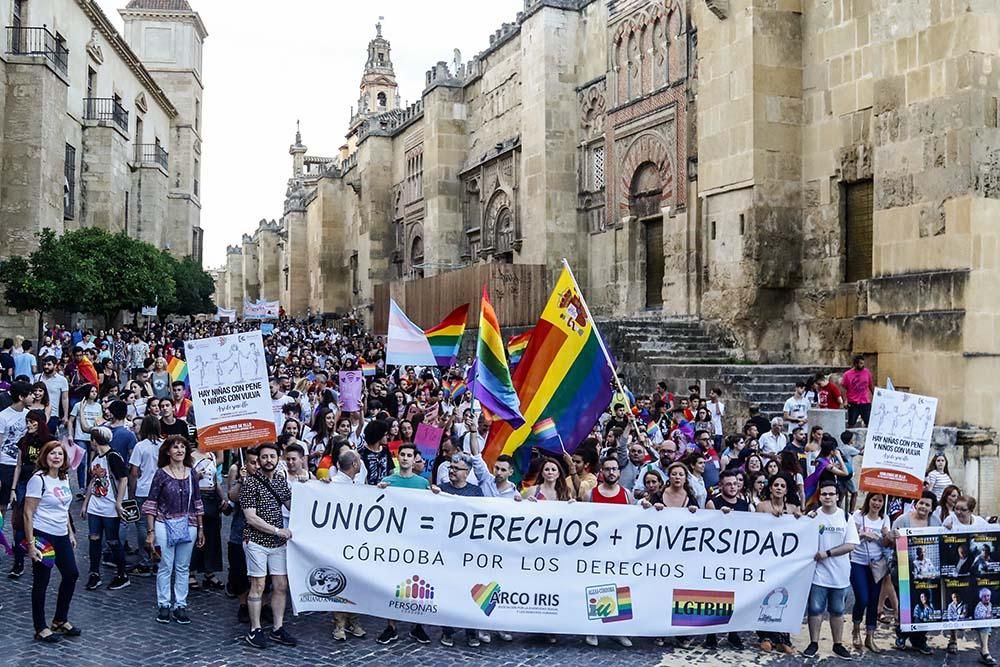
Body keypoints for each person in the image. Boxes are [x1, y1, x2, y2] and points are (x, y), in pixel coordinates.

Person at [239, 441, 297, 649]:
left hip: (278, 543)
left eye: (272, 456)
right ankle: (255, 630)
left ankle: (278, 628)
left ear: (277, 458)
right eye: (264, 457)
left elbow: (295, 505)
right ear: (259, 460)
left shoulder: (281, 482)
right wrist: (275, 530)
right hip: (257, 542)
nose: (268, 460)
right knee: (258, 586)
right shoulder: (250, 484)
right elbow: (251, 517)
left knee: (281, 586)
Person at [373, 442, 432, 646]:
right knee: (393, 584)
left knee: (417, 584)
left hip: (417, 542)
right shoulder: (388, 481)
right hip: (394, 542)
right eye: (403, 454)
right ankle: (391, 626)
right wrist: (378, 492)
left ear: (415, 458)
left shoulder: (423, 483)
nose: (406, 458)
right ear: (398, 457)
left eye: (409, 455)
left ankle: (417, 626)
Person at [142, 436, 205, 624]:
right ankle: (163, 604)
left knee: (183, 566)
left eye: (182, 447)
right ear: (167, 452)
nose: (179, 450)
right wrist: (151, 531)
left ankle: (180, 604)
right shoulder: (161, 474)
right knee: (165, 565)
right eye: (175, 447)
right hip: (163, 522)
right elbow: (151, 502)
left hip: (189, 522)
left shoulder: (191, 473)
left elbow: (197, 502)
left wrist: (201, 528)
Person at [22, 440, 80, 643]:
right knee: (42, 581)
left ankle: (60, 619)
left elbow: (64, 509)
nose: (56, 457)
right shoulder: (39, 479)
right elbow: (28, 513)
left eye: (60, 454)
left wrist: (71, 532)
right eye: (52, 453)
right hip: (42, 536)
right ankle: (40, 627)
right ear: (45, 456)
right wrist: (30, 544)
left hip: (61, 534)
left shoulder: (64, 478)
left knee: (72, 574)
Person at [802, 481, 860, 660]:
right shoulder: (813, 516)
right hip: (818, 573)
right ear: (819, 496)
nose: (827, 497)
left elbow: (850, 545)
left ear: (837, 496)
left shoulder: (846, 517)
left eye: (830, 494)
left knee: (837, 610)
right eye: (824, 494)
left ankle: (838, 644)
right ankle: (813, 643)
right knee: (815, 609)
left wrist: (827, 553)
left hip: (840, 574)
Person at [703, 469, 749, 651]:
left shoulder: (745, 505)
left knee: (736, 596)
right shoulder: (712, 503)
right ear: (721, 485)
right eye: (728, 484)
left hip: (737, 559)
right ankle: (711, 634)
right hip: (716, 558)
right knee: (714, 596)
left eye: (735, 483)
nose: (732, 487)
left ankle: (733, 633)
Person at [80, 426, 129, 591]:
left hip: (109, 507)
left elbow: (123, 479)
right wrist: (86, 503)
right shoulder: (96, 459)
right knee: (93, 539)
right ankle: (94, 573)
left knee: (113, 541)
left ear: (95, 440)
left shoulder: (113, 457)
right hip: (96, 506)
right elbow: (93, 482)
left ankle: (122, 574)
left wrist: (118, 503)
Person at [325, 449, 367, 641]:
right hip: (337, 542)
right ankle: (339, 624)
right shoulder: (331, 485)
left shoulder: (357, 483)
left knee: (355, 582)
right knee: (340, 582)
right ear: (355, 465)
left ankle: (353, 620)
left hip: (356, 542)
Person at [892, 491, 941, 655]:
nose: (923, 507)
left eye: (927, 505)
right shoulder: (903, 519)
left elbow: (941, 539)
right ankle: (901, 635)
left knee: (923, 601)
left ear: (932, 508)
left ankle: (920, 639)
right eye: (921, 503)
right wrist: (894, 535)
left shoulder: (935, 521)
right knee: (906, 602)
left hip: (926, 574)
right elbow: (890, 540)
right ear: (915, 503)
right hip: (903, 568)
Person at [850, 492, 891, 653]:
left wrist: (883, 536)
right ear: (869, 500)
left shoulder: (885, 519)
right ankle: (855, 628)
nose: (877, 503)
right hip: (858, 562)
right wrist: (863, 534)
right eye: (874, 499)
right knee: (862, 597)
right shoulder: (858, 516)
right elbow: (851, 537)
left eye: (880, 500)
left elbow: (886, 543)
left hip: (876, 564)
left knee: (874, 600)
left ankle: (870, 636)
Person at [226, 448, 258, 625]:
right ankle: (243, 604)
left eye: (257, 462)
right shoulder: (241, 479)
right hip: (239, 533)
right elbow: (232, 496)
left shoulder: (267, 479)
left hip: (261, 534)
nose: (256, 466)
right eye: (252, 462)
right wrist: (241, 480)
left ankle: (264, 605)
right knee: (239, 571)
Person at [127, 416, 161, 576]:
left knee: (142, 525)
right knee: (158, 524)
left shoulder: (140, 446)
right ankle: (158, 558)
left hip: (143, 489)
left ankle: (145, 560)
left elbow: (134, 472)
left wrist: (131, 492)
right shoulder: (163, 445)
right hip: (160, 491)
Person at [190, 447, 228, 591]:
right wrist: (195, 476)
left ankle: (209, 571)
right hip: (198, 496)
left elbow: (215, 480)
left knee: (212, 536)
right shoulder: (191, 455)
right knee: (196, 536)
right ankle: (190, 572)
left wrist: (222, 497)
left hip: (212, 498)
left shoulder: (211, 455)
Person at [842, 355, 874, 427]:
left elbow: (871, 385)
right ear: (855, 364)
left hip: (865, 402)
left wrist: (874, 396)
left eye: (863, 363)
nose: (862, 365)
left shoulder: (867, 372)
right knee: (851, 423)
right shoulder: (847, 374)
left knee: (869, 422)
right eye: (860, 363)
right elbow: (844, 388)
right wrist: (845, 400)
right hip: (853, 402)